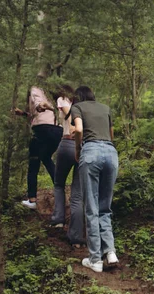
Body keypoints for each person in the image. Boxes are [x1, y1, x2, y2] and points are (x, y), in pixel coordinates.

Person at [71, 86, 119, 273]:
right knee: (104, 207)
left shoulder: (78, 107)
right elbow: (111, 134)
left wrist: (77, 150)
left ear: (78, 97)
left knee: (91, 208)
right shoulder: (105, 108)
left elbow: (79, 130)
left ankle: (95, 260)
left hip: (91, 152)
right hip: (110, 152)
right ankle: (111, 252)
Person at [14, 82, 62, 210]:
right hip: (57, 130)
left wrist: (39, 105)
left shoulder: (35, 88)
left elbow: (38, 103)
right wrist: (24, 114)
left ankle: (32, 199)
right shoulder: (52, 93)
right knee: (46, 158)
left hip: (42, 129)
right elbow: (39, 114)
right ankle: (60, 192)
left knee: (33, 162)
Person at [50, 84, 86, 248]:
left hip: (67, 144)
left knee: (59, 184)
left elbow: (67, 113)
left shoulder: (62, 99)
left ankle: (58, 220)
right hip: (83, 146)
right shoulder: (84, 106)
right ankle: (76, 238)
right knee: (77, 194)